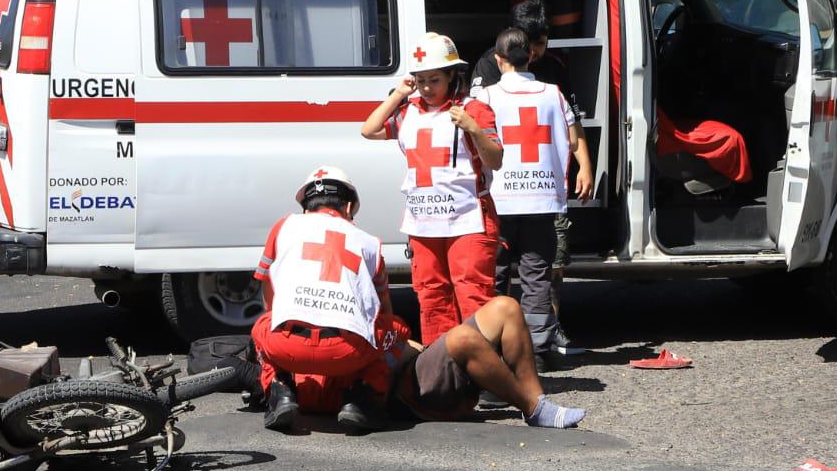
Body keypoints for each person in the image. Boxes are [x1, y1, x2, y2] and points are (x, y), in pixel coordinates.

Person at [360, 32, 503, 344]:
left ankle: (483, 371)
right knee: (431, 295)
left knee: (473, 293)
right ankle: (442, 373)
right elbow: (368, 130)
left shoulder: (474, 110)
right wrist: (398, 94)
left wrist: (474, 129)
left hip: (469, 219)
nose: (426, 88)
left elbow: (495, 160)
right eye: (420, 80)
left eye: (434, 80)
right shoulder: (407, 111)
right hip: (424, 222)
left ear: (452, 75)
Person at [251, 166, 409, 434]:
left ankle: (279, 390)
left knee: (261, 326)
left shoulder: (283, 226)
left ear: (305, 206)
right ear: (348, 207)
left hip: (286, 347)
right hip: (346, 351)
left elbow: (268, 288)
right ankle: (362, 398)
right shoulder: (370, 243)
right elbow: (383, 310)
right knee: (398, 330)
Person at [475, 27, 592, 368]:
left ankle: (493, 350)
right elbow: (571, 142)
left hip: (500, 201)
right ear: (530, 58)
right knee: (536, 277)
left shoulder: (486, 98)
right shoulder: (553, 94)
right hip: (542, 201)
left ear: (498, 61)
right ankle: (536, 354)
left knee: (495, 276)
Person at [388, 294, 586, 429]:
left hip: (415, 358)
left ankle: (537, 401)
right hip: (403, 388)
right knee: (462, 338)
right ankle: (532, 407)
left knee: (506, 307)